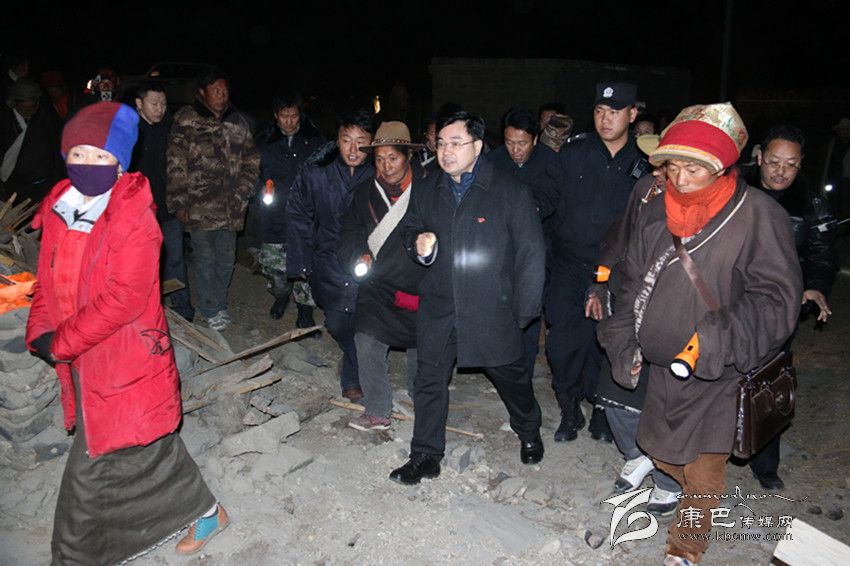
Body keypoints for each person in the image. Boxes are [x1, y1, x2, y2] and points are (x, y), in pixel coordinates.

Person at [598, 103, 802, 565]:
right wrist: (624, 339)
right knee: (663, 451)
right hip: (664, 368)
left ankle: (685, 549)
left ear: (721, 167)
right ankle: (684, 492)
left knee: (706, 467)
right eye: (673, 167)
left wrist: (716, 336)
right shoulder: (657, 210)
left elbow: (776, 299)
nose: (681, 179)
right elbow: (633, 281)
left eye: (694, 169)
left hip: (719, 367)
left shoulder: (758, 216)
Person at [25, 102, 228, 564]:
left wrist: (60, 343)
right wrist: (41, 327)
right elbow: (47, 280)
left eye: (101, 156)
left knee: (94, 463)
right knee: (147, 446)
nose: (88, 164)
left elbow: (124, 298)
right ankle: (206, 511)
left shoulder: (133, 215)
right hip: (85, 355)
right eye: (79, 153)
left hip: (124, 356)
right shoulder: (60, 205)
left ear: (119, 162)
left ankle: (73, 557)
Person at [390, 110, 546, 485]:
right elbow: (409, 228)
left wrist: (523, 312)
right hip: (440, 303)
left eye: (456, 143)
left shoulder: (509, 191)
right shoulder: (427, 189)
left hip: (492, 306)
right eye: (441, 143)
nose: (446, 152)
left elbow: (531, 253)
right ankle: (425, 455)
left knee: (510, 376)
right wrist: (417, 243)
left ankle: (528, 428)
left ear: (477, 146)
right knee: (429, 379)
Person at [539, 81, 645, 444]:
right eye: (600, 111)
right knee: (563, 342)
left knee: (608, 341)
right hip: (568, 264)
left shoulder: (644, 163)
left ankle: (602, 406)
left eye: (614, 112)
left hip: (617, 270)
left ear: (632, 114)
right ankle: (569, 406)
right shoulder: (574, 152)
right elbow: (547, 195)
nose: (605, 119)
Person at [740, 124, 839, 490]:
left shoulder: (811, 203)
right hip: (731, 298)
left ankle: (765, 463)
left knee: (769, 380)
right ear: (759, 157)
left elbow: (822, 253)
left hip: (780, 304)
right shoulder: (734, 188)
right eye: (774, 162)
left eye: (791, 164)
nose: (781, 171)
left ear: (801, 164)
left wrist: (815, 286)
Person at [589, 133, 682, 516]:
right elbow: (618, 237)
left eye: (666, 167)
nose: (657, 173)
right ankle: (636, 455)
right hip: (627, 300)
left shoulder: (698, 205)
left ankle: (667, 481)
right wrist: (598, 282)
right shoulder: (644, 190)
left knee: (662, 400)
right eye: (656, 165)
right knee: (615, 388)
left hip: (671, 311)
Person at [338, 121, 426, 431]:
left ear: (408, 156)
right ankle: (377, 408)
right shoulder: (364, 193)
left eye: (393, 158)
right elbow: (349, 232)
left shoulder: (429, 190)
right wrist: (358, 254)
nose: (386, 166)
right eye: (379, 159)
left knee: (422, 348)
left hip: (420, 285)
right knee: (366, 340)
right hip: (379, 286)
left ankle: (422, 399)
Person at [287, 108, 375, 402]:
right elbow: (299, 214)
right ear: (336, 140)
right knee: (337, 323)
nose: (353, 149)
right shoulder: (316, 173)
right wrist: (300, 259)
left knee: (363, 322)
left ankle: (353, 376)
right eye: (346, 140)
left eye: (361, 142)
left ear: (372, 143)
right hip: (327, 258)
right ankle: (352, 355)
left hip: (366, 259)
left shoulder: (379, 174)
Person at [167, 68, 260, 330]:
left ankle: (219, 302)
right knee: (205, 258)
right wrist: (178, 202)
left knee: (226, 260)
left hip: (231, 207)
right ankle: (210, 308)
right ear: (202, 92)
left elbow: (252, 158)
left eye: (225, 90)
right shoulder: (187, 119)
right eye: (216, 90)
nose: (222, 95)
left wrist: (245, 187)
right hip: (198, 205)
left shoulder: (236, 121)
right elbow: (175, 162)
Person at [487, 107, 556, 381]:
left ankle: (523, 374)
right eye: (509, 142)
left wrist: (525, 212)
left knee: (528, 313)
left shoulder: (550, 162)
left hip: (536, 253)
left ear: (535, 139)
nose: (515, 150)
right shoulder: (493, 161)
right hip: (500, 254)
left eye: (522, 143)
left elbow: (551, 200)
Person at [255, 90, 324, 324]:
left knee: (305, 264)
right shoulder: (263, 142)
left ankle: (305, 309)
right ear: (276, 115)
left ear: (300, 115)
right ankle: (282, 295)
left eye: (293, 115)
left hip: (306, 216)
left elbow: (326, 174)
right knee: (274, 268)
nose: (289, 121)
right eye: (284, 116)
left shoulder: (314, 140)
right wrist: (260, 189)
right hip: (274, 215)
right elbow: (251, 173)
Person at [130, 82, 194, 321]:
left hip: (168, 207)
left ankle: (183, 310)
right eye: (154, 103)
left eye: (164, 104)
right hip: (140, 210)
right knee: (143, 262)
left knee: (175, 258)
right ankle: (145, 310)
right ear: (139, 103)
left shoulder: (170, 129)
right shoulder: (129, 131)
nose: (160, 109)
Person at [0, 77, 64, 201]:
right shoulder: (5, 120)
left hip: (44, 183)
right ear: (14, 103)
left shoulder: (46, 116)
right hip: (15, 186)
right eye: (24, 107)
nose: (29, 110)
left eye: (32, 106)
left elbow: (57, 145)